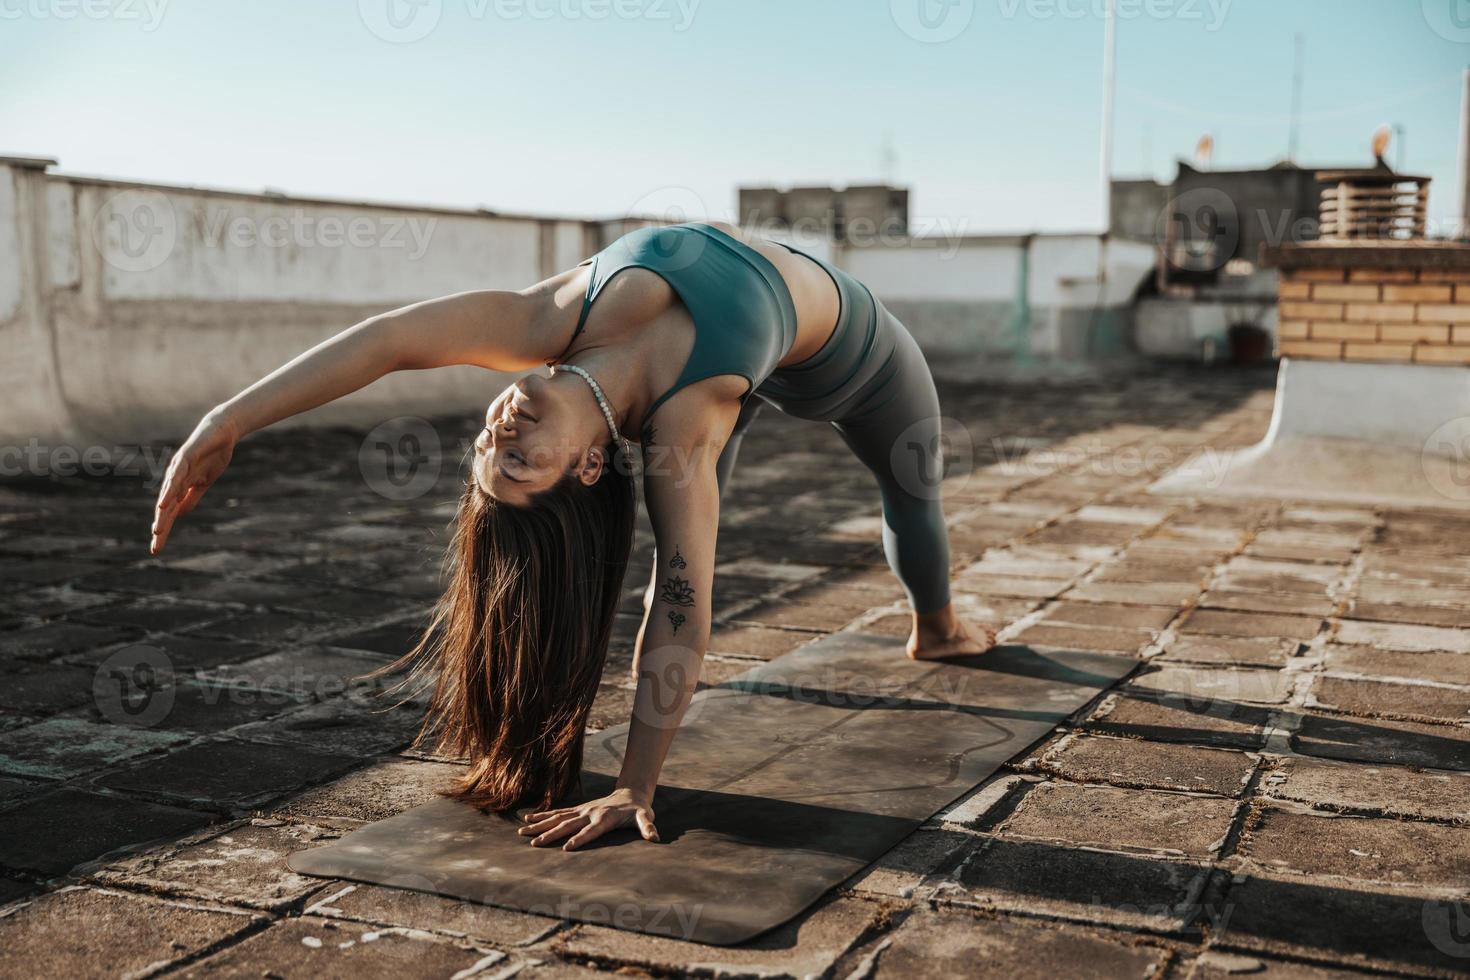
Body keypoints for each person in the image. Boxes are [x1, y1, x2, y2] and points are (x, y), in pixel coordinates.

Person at [149, 220, 996, 852]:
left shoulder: (547, 322)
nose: (498, 433)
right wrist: (633, 787)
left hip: (765, 352)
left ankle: (937, 625)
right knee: (905, 489)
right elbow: (679, 601)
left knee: (888, 490)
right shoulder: (684, 424)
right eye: (517, 462)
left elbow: (392, 341)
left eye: (485, 448)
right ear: (589, 469)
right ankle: (944, 629)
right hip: (858, 363)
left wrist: (230, 419)